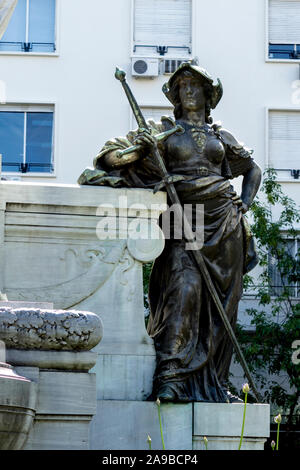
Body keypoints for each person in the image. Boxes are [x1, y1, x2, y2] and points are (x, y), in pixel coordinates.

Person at [78, 63, 262, 402]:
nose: (188, 92)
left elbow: (252, 169)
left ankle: (214, 383)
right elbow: (110, 157)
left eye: (195, 86)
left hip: (224, 223)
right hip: (181, 214)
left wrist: (244, 204)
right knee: (184, 288)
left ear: (208, 95)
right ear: (175, 96)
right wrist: (139, 148)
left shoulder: (221, 135)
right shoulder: (161, 131)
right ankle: (171, 378)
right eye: (182, 87)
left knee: (223, 306)